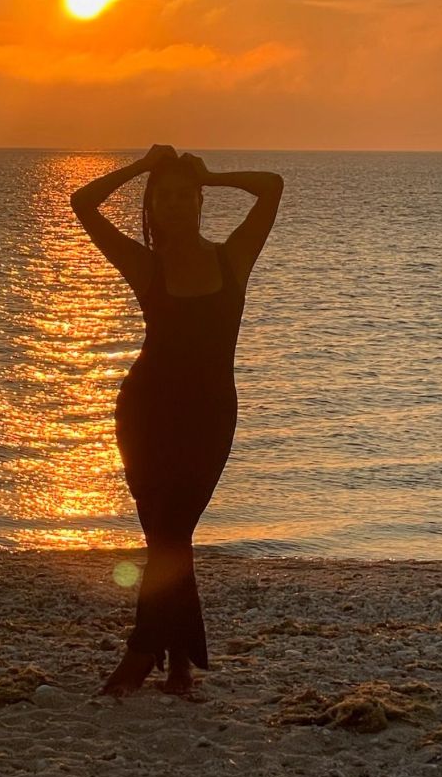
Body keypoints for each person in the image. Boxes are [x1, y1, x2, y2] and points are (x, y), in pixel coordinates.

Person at [70, 143, 284, 697]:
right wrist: (142, 165)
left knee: (173, 535)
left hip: (210, 414)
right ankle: (176, 666)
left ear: (197, 200)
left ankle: (145, 656)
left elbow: (272, 185)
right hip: (146, 411)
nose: (172, 204)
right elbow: (83, 202)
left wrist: (209, 172)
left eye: (183, 194)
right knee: (167, 539)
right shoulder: (147, 265)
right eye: (161, 197)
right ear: (153, 204)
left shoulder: (232, 257)